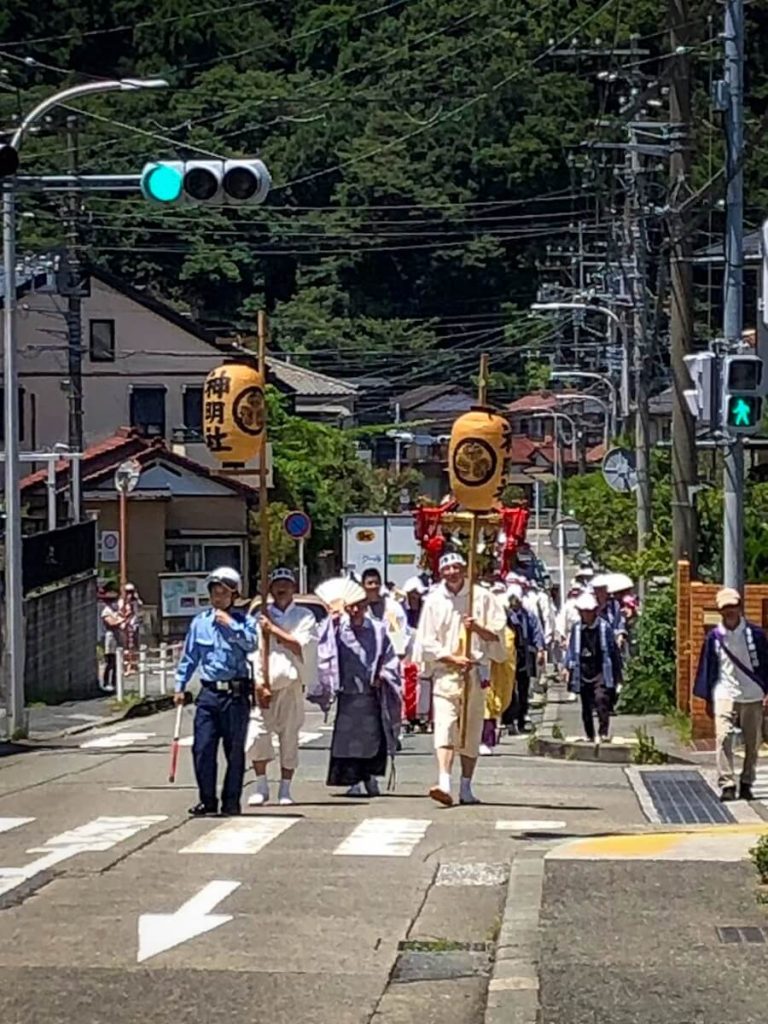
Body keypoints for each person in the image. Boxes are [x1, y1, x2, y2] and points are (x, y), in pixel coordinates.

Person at [413, 552, 506, 807]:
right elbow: (425, 641)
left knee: (471, 730)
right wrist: (450, 657)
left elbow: (498, 635)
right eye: (447, 568)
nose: (452, 572)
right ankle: (444, 780)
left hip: (475, 673)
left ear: (465, 569)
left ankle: (466, 784)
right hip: (447, 673)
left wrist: (477, 628)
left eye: (456, 567)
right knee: (444, 725)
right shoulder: (433, 601)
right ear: (440, 572)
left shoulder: (482, 597)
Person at [174, 566, 257, 816]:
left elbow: (252, 644)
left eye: (223, 593)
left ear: (234, 595)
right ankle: (207, 800)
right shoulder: (200, 623)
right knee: (202, 748)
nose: (218, 598)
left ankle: (231, 801)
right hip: (209, 694)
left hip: (236, 694)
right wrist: (180, 685)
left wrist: (232, 625)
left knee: (234, 752)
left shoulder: (245, 622)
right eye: (214, 593)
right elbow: (189, 657)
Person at [320, 583, 402, 797]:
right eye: (351, 607)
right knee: (346, 741)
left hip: (370, 692)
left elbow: (389, 656)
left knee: (371, 738)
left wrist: (383, 674)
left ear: (366, 605)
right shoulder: (339, 628)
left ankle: (370, 776)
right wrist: (332, 622)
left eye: (360, 606)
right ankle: (352, 780)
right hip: (347, 692)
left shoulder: (377, 629)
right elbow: (323, 647)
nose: (355, 611)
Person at [246, 568, 319, 807]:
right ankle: (261, 785)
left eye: (286, 583)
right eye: (277, 583)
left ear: (294, 587)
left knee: (289, 738)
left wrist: (273, 630)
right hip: (265, 686)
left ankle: (286, 788)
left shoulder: (304, 616)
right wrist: (259, 684)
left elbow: (300, 645)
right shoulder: (260, 615)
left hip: (291, 686)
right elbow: (254, 653)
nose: (282, 588)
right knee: (257, 736)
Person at [693, 587, 768, 802]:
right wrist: (707, 698)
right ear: (720, 610)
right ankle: (727, 782)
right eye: (725, 608)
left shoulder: (755, 634)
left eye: (733, 607)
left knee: (753, 742)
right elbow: (708, 668)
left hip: (752, 693)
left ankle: (747, 781)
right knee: (723, 736)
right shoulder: (714, 637)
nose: (730, 612)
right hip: (724, 692)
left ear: (740, 608)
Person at [564, 591, 622, 743]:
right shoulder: (577, 628)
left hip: (600, 669)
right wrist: (567, 667)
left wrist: (617, 675)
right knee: (585, 705)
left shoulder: (604, 627)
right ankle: (590, 734)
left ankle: (603, 732)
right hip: (582, 669)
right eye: (583, 611)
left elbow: (613, 651)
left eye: (589, 611)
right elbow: (571, 649)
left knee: (601, 698)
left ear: (595, 611)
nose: (586, 615)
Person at [503, 584, 546, 734]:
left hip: (525, 655)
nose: (515, 602)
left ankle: (521, 718)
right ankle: (509, 719)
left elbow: (537, 631)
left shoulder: (528, 614)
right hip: (508, 655)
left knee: (523, 688)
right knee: (509, 688)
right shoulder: (504, 615)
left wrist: (540, 649)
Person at [99, 589, 126, 692]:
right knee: (110, 661)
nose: (114, 602)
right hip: (110, 637)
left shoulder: (115, 611)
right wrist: (121, 620)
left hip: (117, 636)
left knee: (116, 662)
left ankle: (115, 683)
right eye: (111, 600)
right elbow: (111, 623)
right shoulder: (106, 611)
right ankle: (106, 682)